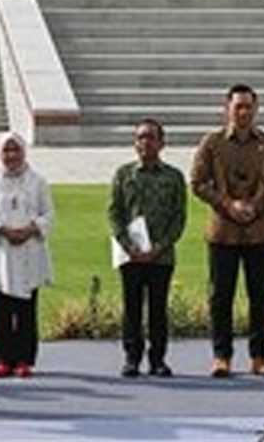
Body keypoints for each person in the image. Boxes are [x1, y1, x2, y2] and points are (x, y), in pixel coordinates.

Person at [190, 84, 264, 378]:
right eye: (238, 107)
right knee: (221, 296)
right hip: (224, 231)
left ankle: (259, 356)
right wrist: (227, 204)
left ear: (256, 109)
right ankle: (222, 356)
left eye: (249, 106)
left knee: (259, 296)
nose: (244, 112)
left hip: (260, 231)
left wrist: (259, 207)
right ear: (228, 109)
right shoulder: (212, 143)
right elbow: (197, 182)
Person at [107, 117, 188, 379]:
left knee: (157, 309)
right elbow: (114, 213)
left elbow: (179, 217)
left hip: (160, 256)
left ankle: (158, 359)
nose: (145, 142)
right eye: (141, 137)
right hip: (130, 254)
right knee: (132, 308)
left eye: (151, 137)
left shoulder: (173, 177)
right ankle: (132, 358)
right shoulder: (123, 175)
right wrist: (127, 244)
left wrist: (160, 247)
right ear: (134, 143)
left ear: (162, 143)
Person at [0, 133, 54, 379]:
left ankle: (23, 360)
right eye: (6, 151)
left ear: (23, 152)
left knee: (26, 310)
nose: (11, 155)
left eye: (15, 150)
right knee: (0, 310)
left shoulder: (38, 181)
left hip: (29, 251)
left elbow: (49, 214)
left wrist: (29, 230)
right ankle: (1, 360)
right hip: (1, 253)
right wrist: (3, 230)